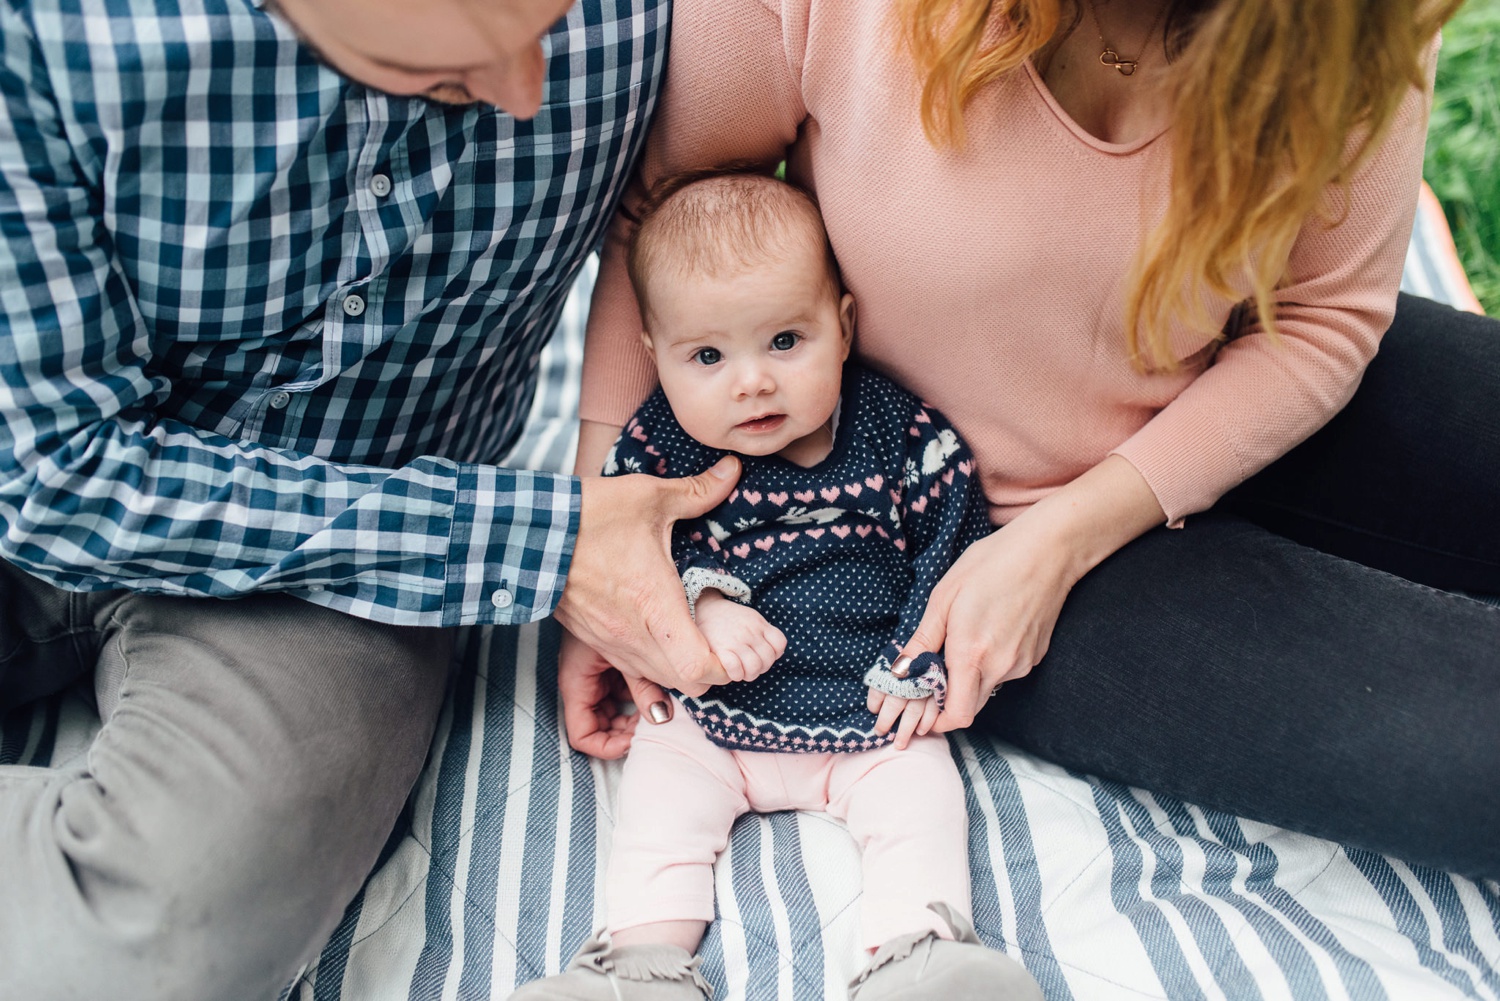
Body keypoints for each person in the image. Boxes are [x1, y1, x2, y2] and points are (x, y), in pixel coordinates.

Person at [563, 0, 1500, 883]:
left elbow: (1323, 314)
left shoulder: (1347, 24)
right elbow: (663, 205)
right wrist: (605, 531)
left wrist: (1071, 535)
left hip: (1232, 390)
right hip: (955, 536)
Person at [0, 0, 745, 997]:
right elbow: (55, 472)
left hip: (358, 544)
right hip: (38, 464)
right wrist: (542, 544)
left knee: (163, 937)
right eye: (440, 72)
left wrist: (595, 497)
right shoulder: (47, 32)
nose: (529, 93)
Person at [516, 173, 1040, 1001]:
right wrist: (702, 603)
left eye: (785, 342)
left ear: (842, 327)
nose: (751, 381)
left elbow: (953, 542)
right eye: (709, 357)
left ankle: (920, 954)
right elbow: (630, 556)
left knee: (923, 807)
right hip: (709, 717)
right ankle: (639, 966)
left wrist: (919, 659)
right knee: (657, 814)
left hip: (869, 720)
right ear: (655, 356)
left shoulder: (896, 434)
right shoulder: (662, 445)